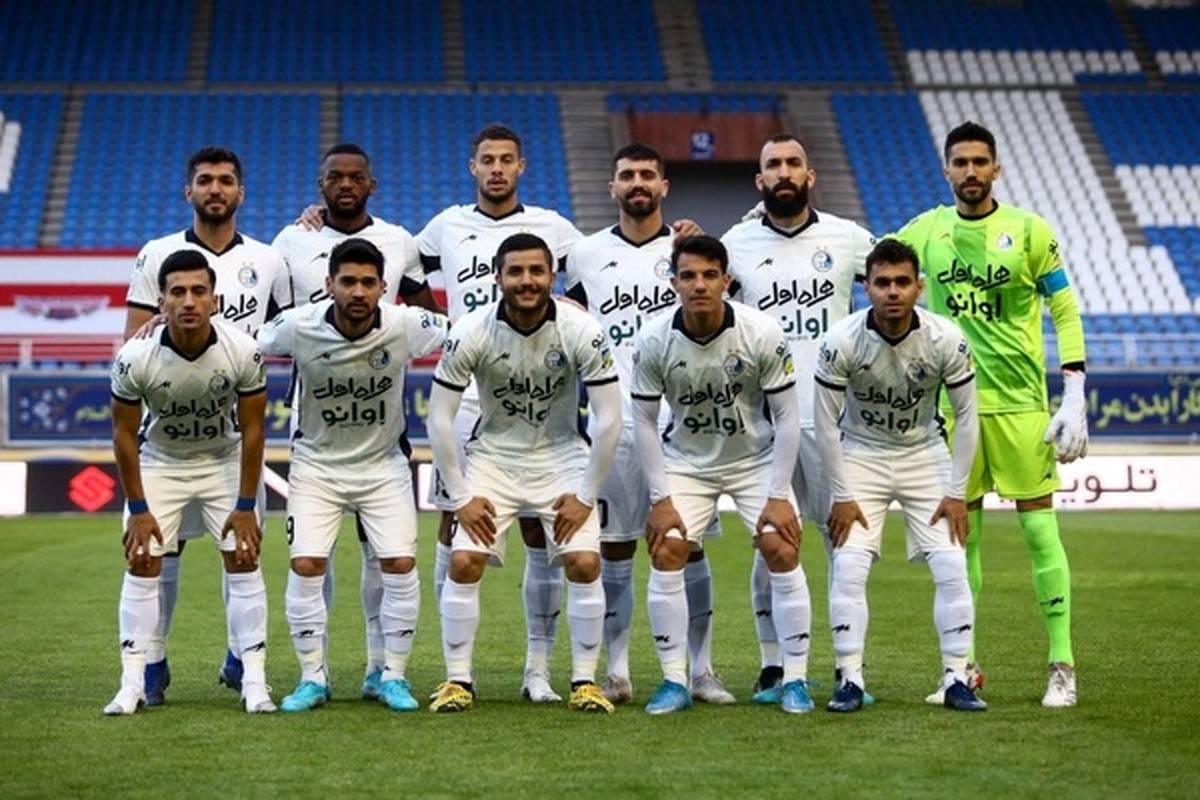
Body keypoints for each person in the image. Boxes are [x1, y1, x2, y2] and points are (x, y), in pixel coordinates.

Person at [894, 121, 1087, 708]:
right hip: (953, 410)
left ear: (996, 168)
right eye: (961, 162)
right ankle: (964, 669)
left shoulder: (1029, 231)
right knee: (962, 542)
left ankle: (1062, 664)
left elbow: (1065, 308)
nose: (971, 171)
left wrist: (1074, 392)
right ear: (946, 170)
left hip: (1021, 407)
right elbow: (867, 261)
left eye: (980, 162)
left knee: (1039, 532)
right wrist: (766, 225)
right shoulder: (925, 231)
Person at [415, 125, 585, 703]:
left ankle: (538, 668)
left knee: (542, 527)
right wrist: (447, 327)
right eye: (486, 159)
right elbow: (404, 270)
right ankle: (450, 665)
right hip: (465, 392)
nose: (495, 169)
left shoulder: (553, 227)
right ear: (473, 167)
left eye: (506, 160)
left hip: (534, 394)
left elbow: (592, 277)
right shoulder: (445, 226)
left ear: (521, 167)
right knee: (454, 521)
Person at [273, 142, 443, 702]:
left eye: (355, 177)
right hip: (315, 452)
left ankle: (386, 672)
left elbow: (448, 324)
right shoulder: (291, 247)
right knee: (308, 563)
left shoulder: (399, 248)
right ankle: (312, 676)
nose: (345, 185)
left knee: (392, 561)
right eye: (335, 177)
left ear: (372, 184)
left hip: (383, 455)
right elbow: (251, 335)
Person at [563, 143, 731, 706]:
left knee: (687, 547)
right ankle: (616, 672)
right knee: (613, 551)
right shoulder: (585, 255)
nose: (637, 183)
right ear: (611, 187)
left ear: (664, 187)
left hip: (681, 428)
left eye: (646, 175)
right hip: (613, 425)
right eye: (626, 175)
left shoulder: (688, 251)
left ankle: (701, 670)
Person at [426, 233, 622, 713]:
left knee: (585, 563)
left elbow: (609, 417)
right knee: (463, 562)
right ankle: (458, 681)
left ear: (552, 276)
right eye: (515, 271)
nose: (526, 280)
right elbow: (440, 418)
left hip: (561, 456)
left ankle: (583, 682)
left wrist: (586, 494)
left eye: (537, 271)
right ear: (497, 277)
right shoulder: (471, 330)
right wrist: (461, 498)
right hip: (494, 458)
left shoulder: (581, 329)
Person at [123, 147, 290, 705]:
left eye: (224, 181)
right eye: (204, 180)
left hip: (233, 435)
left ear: (241, 192)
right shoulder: (157, 254)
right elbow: (133, 341)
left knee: (240, 547)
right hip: (169, 436)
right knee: (161, 552)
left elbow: (284, 333)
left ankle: (241, 660)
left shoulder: (268, 260)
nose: (214, 189)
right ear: (188, 191)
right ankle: (152, 661)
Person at [631, 235, 813, 715]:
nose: (699, 285)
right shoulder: (653, 339)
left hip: (754, 460)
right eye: (688, 276)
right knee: (668, 547)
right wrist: (660, 499)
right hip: (687, 463)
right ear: (673, 283)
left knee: (781, 546)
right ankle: (675, 680)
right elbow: (644, 421)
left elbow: (787, 416)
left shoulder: (761, 332)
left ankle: (795, 679)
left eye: (710, 275)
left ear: (726, 281)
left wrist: (779, 494)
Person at [722, 133, 875, 702]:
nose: (783, 172)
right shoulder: (735, 243)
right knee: (772, 545)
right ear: (758, 180)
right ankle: (772, 665)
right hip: (764, 424)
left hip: (835, 420)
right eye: (773, 165)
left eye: (793, 164)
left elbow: (901, 273)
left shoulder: (849, 238)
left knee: (844, 548)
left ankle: (847, 668)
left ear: (810, 176)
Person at [814, 238, 985, 713]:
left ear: (919, 287)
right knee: (849, 565)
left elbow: (967, 417)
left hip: (923, 455)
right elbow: (825, 424)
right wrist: (841, 494)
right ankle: (849, 678)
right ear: (866, 287)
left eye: (903, 282)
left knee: (951, 566)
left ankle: (956, 678)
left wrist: (957, 492)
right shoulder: (841, 341)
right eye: (883, 282)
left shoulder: (946, 338)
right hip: (861, 455)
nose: (893, 291)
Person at [106, 249, 272, 715]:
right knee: (142, 560)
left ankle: (254, 681)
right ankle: (132, 683)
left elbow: (254, 429)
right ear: (161, 301)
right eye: (177, 292)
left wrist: (245, 505)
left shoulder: (243, 350)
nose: (189, 301)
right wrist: (139, 509)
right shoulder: (134, 357)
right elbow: (123, 434)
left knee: (243, 558)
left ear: (215, 300)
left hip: (223, 461)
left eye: (199, 291)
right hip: (162, 462)